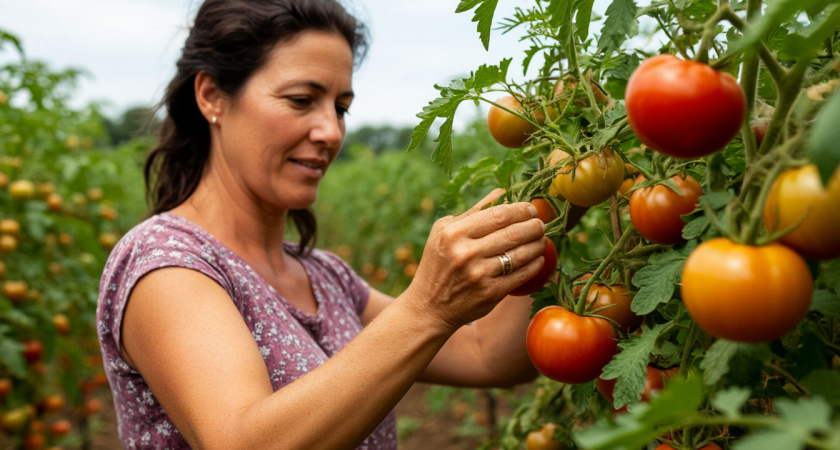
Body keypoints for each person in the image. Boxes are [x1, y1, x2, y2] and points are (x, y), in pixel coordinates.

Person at [96, 1, 548, 448]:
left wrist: (558, 186)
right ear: (212, 96)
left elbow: (488, 356)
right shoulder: (165, 262)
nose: (331, 132)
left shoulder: (327, 278)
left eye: (341, 108)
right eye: (301, 100)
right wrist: (426, 308)